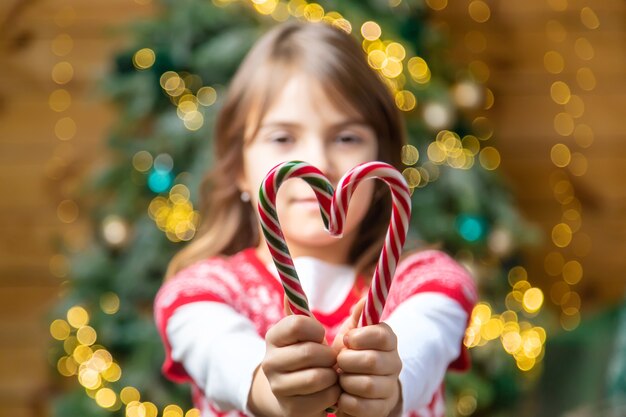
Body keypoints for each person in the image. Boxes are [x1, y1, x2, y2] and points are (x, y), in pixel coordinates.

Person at [154, 20, 477, 417]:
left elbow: (421, 345)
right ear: (238, 165)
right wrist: (271, 390)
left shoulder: (425, 284)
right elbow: (222, 355)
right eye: (282, 138)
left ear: (382, 164)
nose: (318, 164)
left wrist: (387, 388)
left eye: (346, 138)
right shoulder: (201, 293)